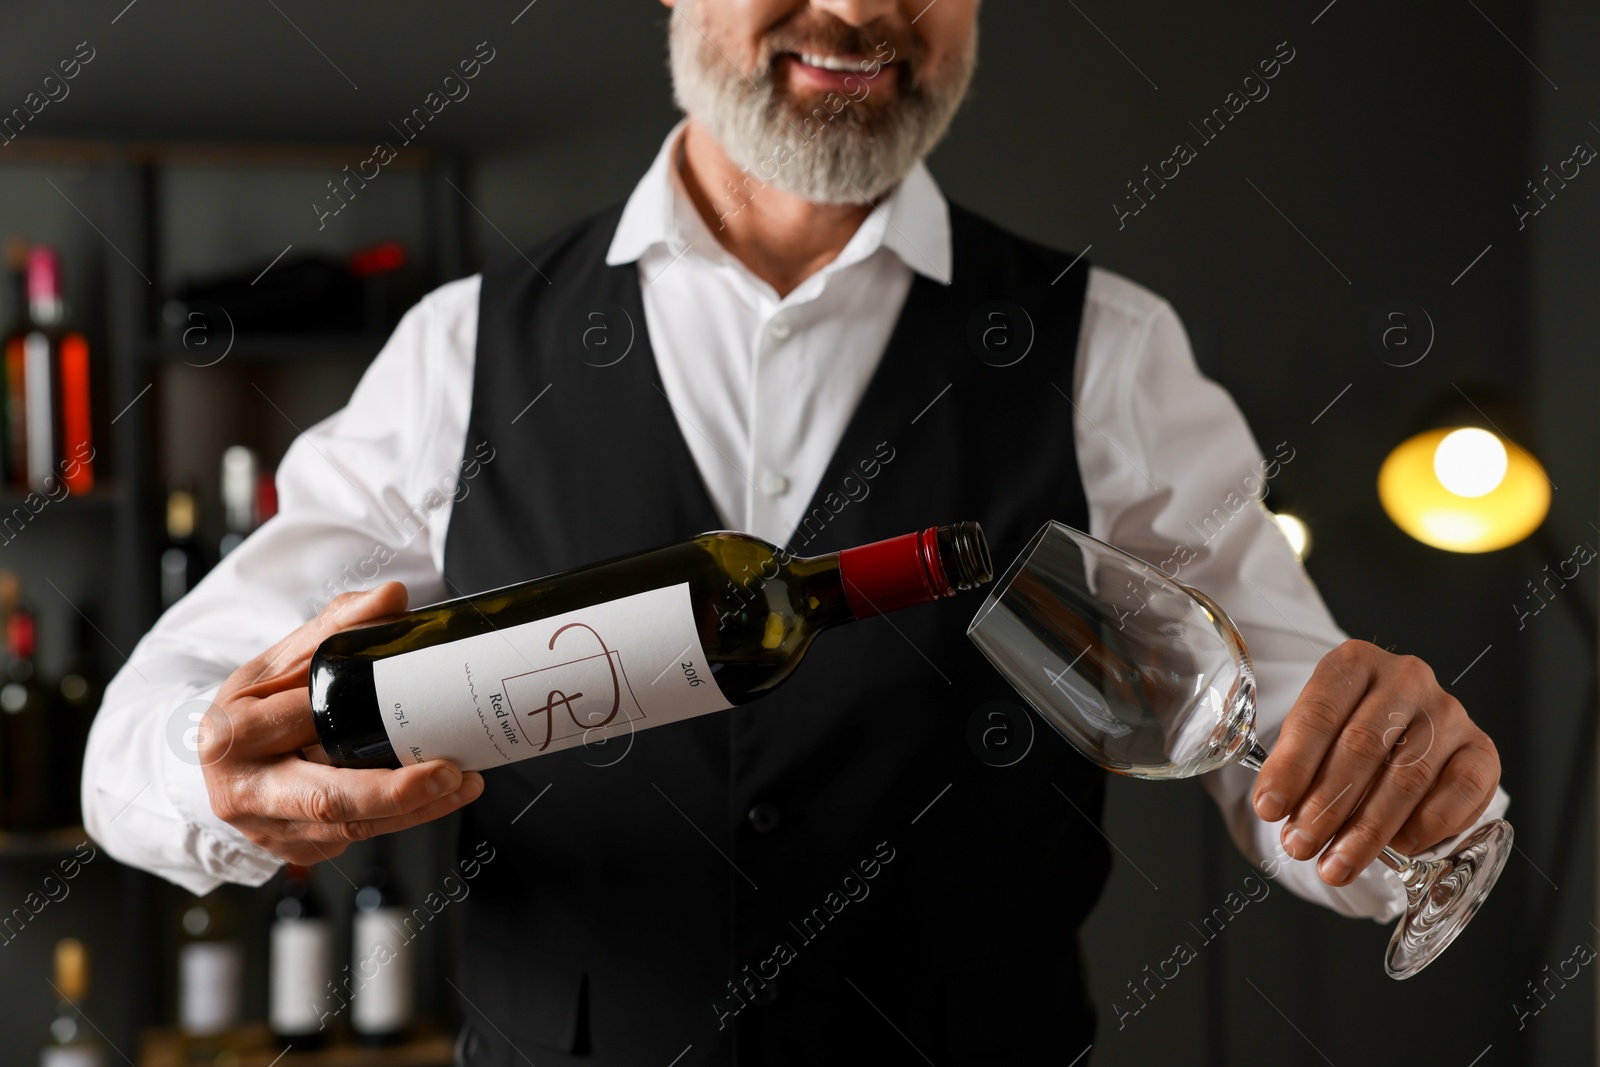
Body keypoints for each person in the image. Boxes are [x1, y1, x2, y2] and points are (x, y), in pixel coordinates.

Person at [85, 1, 1509, 1063]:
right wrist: (218, 786)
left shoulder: (1106, 355)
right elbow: (132, 744)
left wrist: (1414, 800)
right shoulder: (460, 352)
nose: (857, 9)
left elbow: (1295, 752)